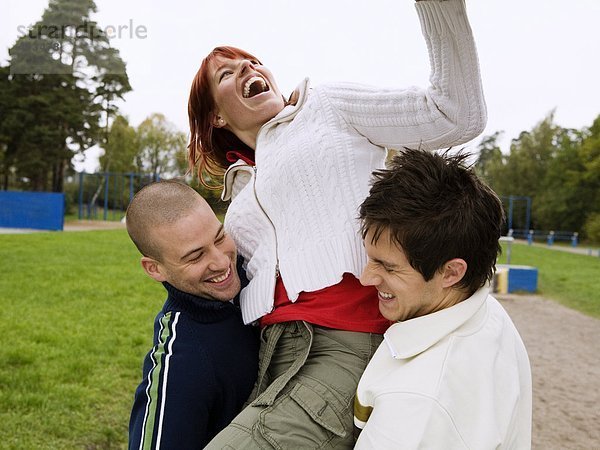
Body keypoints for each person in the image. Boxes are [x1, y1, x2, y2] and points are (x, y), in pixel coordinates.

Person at [187, 0, 487, 447]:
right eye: (226, 74)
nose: (247, 67)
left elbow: (456, 114)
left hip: (342, 338)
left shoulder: (324, 107)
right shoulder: (242, 190)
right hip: (271, 350)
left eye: (250, 61)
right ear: (216, 116)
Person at [354, 149, 532, 449]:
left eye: (388, 266)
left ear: (451, 272)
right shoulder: (486, 313)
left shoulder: (419, 406)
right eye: (370, 258)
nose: (366, 277)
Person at [126, 180, 259, 449]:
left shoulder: (256, 266)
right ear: (155, 269)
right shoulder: (179, 363)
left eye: (220, 238)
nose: (222, 262)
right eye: (195, 257)